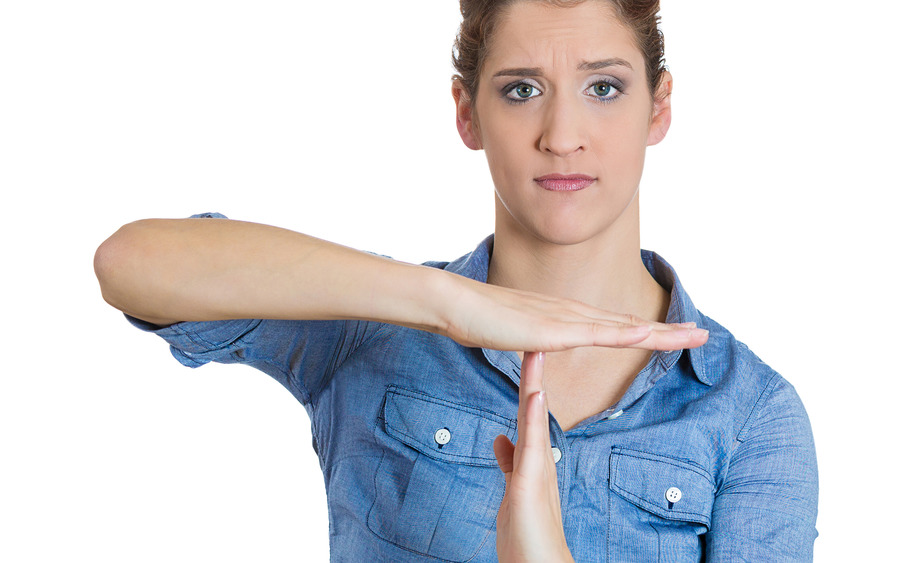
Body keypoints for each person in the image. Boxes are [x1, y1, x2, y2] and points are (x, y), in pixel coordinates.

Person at [94, 0, 819, 560]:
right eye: (521, 90)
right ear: (466, 113)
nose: (562, 133)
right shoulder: (376, 329)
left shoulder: (750, 415)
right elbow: (131, 264)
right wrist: (447, 303)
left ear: (658, 107)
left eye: (603, 87)